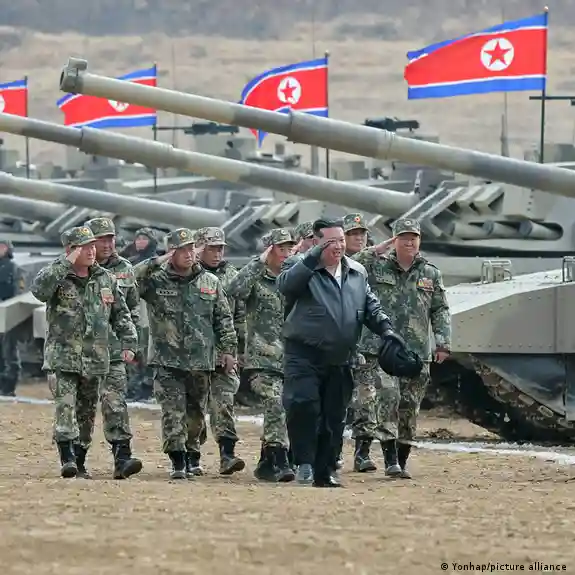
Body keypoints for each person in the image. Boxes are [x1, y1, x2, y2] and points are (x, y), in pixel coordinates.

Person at [276, 217, 397, 488]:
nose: (338, 246)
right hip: (304, 354)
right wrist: (311, 259)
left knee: (334, 415)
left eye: (341, 240)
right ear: (316, 242)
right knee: (304, 405)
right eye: (331, 241)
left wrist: (387, 329)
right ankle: (304, 462)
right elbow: (286, 286)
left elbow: (370, 305)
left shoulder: (356, 271)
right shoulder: (299, 265)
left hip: (341, 355)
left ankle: (326, 469)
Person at [30, 226, 137, 479]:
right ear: (70, 250)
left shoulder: (105, 279)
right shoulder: (56, 275)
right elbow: (39, 291)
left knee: (86, 413)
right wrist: (65, 262)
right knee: (65, 407)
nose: (91, 251)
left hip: (95, 358)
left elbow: (121, 314)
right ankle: (67, 458)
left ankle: (79, 461)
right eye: (84, 248)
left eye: (92, 247)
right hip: (63, 357)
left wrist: (129, 343)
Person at [134, 227, 237, 480]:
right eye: (182, 250)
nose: (189, 254)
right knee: (173, 412)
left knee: (195, 414)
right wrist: (156, 261)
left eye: (191, 249)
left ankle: (193, 455)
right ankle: (177, 459)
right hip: (167, 360)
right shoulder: (156, 281)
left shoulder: (209, 282)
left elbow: (223, 320)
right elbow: (129, 279)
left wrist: (228, 350)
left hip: (200, 361)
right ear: (171, 253)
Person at [354, 218, 451, 478]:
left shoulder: (430, 272)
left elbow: (440, 309)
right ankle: (390, 461)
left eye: (414, 237)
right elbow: (350, 265)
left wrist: (443, 343)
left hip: (416, 352)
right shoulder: (376, 266)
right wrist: (374, 250)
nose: (409, 242)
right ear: (394, 240)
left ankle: (402, 458)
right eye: (404, 237)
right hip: (382, 349)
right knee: (388, 398)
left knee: (410, 407)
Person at [226, 228, 296, 483]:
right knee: (275, 402)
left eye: (289, 248)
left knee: (290, 408)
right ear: (269, 250)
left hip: (292, 359)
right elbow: (233, 290)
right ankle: (279, 459)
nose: (286, 253)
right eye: (280, 248)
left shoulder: (294, 278)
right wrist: (259, 262)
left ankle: (266, 461)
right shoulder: (256, 278)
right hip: (263, 360)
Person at [84, 217, 143, 479]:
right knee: (83, 406)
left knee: (115, 402)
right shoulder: (79, 268)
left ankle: (122, 457)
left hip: (114, 350)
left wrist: (132, 342)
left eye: (111, 239)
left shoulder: (125, 268)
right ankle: (75, 458)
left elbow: (132, 308)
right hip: (83, 351)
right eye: (102, 240)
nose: (108, 244)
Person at [193, 226, 246, 476]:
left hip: (224, 352)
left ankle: (227, 454)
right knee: (193, 408)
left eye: (220, 249)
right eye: (212, 249)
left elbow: (240, 316)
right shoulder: (187, 275)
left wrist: (238, 351)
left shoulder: (233, 276)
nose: (217, 254)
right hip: (193, 355)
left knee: (224, 403)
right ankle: (191, 455)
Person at [341, 213, 373, 471]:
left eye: (362, 234)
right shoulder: (330, 264)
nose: (358, 238)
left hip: (367, 346)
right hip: (338, 344)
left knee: (366, 400)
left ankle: (363, 453)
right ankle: (333, 451)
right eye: (352, 234)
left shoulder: (375, 264)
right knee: (337, 401)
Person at [123, 227, 161, 402]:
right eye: (137, 239)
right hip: (134, 311)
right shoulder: (130, 262)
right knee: (134, 350)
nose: (140, 242)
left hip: (150, 311)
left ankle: (147, 388)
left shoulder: (158, 263)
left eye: (144, 239)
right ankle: (133, 388)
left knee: (148, 351)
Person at [0, 239, 24, 396]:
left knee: (9, 351)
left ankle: (9, 387)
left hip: (8, 314)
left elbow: (18, 291)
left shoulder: (13, 268)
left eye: (2, 246)